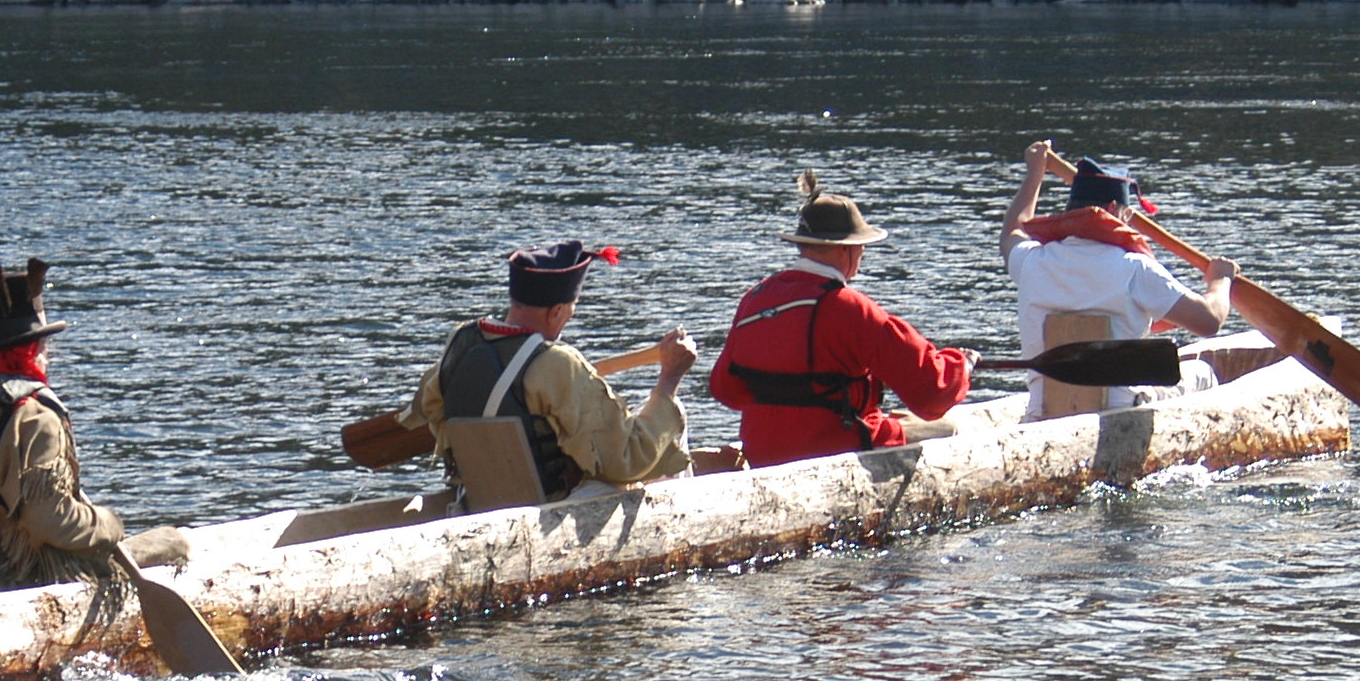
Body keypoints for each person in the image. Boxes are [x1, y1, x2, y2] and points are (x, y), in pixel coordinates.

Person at [0, 257, 189, 591]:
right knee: (175, 542)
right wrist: (109, 524)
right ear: (33, 349)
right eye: (43, 343)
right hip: (30, 579)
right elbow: (50, 521)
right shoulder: (33, 417)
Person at [397, 239, 697, 504]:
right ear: (556, 311)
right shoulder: (557, 364)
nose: (567, 320)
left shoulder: (459, 343)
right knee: (668, 413)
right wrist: (669, 379)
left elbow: (427, 410)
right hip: (549, 508)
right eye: (570, 311)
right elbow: (627, 460)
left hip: (474, 501)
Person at [708, 183, 974, 468]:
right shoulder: (850, 307)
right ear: (843, 249)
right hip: (839, 446)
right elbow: (932, 392)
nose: (861, 254)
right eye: (861, 246)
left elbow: (726, 390)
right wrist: (964, 365)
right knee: (948, 427)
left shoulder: (756, 298)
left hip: (763, 450)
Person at [997, 141, 1234, 416]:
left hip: (1043, 412)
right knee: (1202, 373)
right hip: (1119, 413)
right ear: (1113, 210)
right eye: (1128, 214)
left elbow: (1012, 231)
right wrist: (1220, 280)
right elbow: (1209, 321)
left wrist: (1034, 173)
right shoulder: (1136, 269)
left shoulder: (1031, 261)